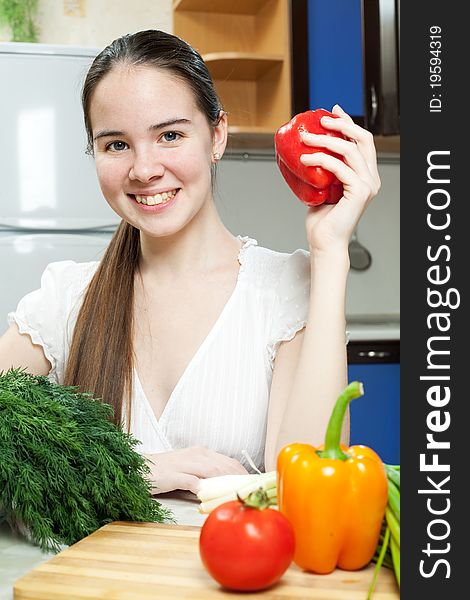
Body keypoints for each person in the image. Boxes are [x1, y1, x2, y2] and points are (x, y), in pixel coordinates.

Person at [0, 30, 380, 495]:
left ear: (217, 136)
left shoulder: (285, 289)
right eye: (116, 144)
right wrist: (131, 471)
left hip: (232, 568)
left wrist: (331, 252)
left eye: (170, 135)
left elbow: (312, 490)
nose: (144, 168)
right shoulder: (65, 300)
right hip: (89, 570)